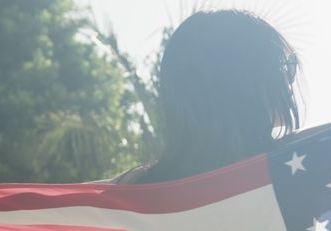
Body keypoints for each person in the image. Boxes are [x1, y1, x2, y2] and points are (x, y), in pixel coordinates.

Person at [112, 9, 302, 184]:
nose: (290, 80)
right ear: (242, 81)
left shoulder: (135, 193)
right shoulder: (296, 172)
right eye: (285, 66)